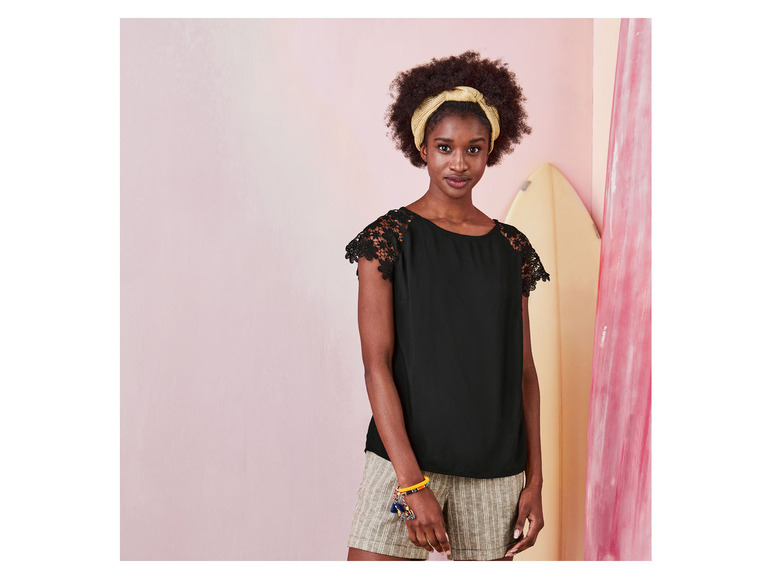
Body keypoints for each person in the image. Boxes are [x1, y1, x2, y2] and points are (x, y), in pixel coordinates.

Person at [343, 51, 550, 562]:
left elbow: (524, 373)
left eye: (473, 149)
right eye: (445, 147)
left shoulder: (511, 249)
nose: (459, 163)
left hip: (496, 475)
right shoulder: (388, 239)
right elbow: (376, 366)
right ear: (423, 149)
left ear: (490, 151)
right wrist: (412, 485)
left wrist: (535, 481)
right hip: (403, 468)